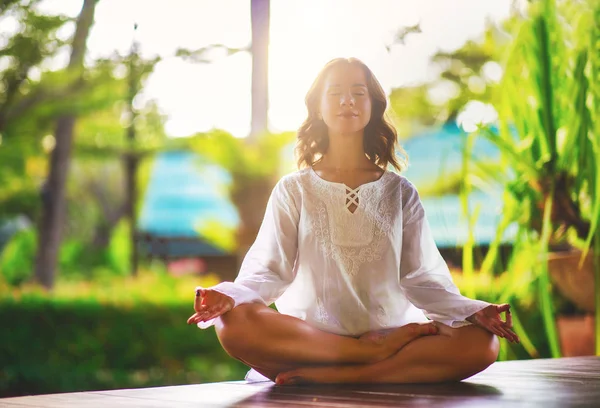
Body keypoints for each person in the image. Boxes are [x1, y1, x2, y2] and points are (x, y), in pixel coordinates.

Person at [187, 57, 519, 386]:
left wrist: (473, 310)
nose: (347, 100)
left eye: (358, 92)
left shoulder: (400, 192)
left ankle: (351, 374)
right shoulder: (294, 189)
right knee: (231, 323)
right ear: (318, 106)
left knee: (482, 342)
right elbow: (270, 271)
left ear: (373, 105)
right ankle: (364, 356)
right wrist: (229, 295)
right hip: (313, 342)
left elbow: (421, 279)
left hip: (394, 336)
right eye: (335, 93)